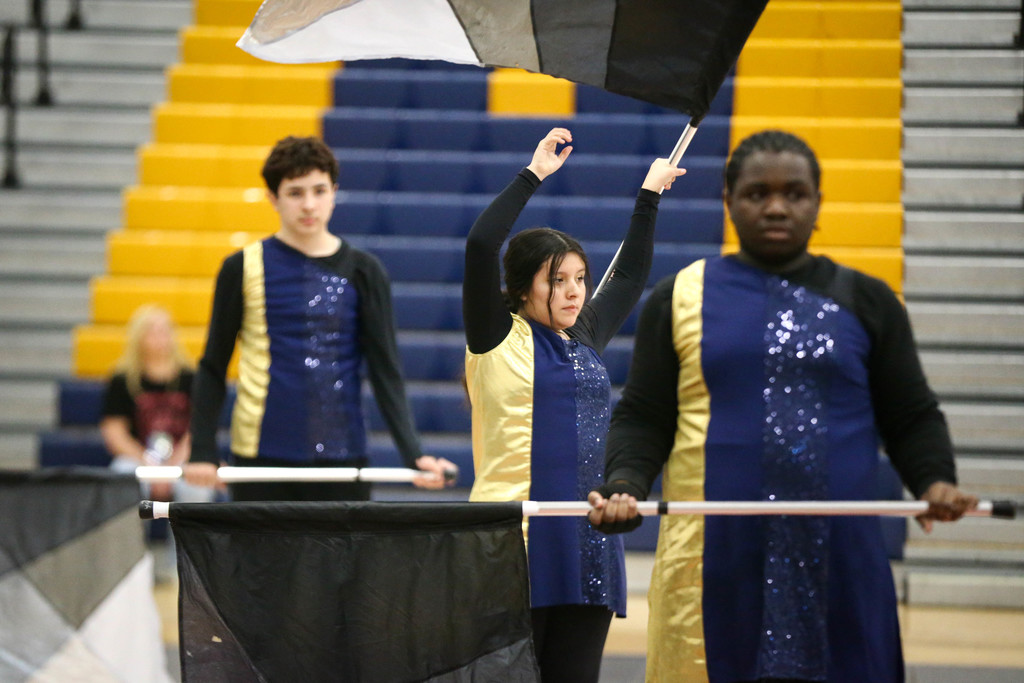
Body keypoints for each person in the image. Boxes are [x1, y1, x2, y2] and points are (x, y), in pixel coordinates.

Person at [587, 129, 979, 683]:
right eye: (756, 193)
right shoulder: (678, 297)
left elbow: (910, 412)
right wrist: (625, 481)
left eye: (794, 193)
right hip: (712, 561)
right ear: (729, 200)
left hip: (840, 558)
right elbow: (645, 415)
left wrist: (934, 479)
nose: (775, 206)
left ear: (817, 203)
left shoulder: (867, 299)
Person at [463, 127, 685, 681]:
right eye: (556, 280)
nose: (573, 292)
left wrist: (648, 197)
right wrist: (533, 173)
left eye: (580, 279)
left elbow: (631, 275)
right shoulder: (493, 335)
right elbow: (480, 245)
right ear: (521, 288)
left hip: (587, 541)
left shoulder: (583, 335)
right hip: (512, 540)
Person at [185, 135, 454, 501]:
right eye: (295, 193)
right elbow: (213, 366)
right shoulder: (241, 267)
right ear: (272, 199)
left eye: (319, 190)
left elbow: (385, 369)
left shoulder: (365, 270)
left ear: (334, 192)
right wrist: (202, 450)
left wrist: (414, 453)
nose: (309, 204)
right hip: (259, 458)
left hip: (343, 459)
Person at [101, 304, 213, 504]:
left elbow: (198, 429)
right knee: (122, 476)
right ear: (138, 337)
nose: (160, 336)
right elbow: (115, 433)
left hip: (181, 457)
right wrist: (149, 464)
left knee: (196, 483)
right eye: (152, 330)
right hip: (137, 458)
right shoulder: (122, 380)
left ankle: (187, 537)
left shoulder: (192, 379)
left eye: (164, 330)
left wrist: (171, 466)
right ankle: (126, 536)